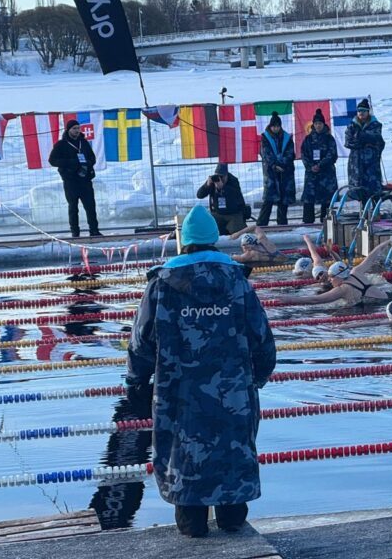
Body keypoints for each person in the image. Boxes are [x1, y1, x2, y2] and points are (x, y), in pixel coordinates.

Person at [126, 204, 276, 538]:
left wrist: (136, 381)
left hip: (178, 397)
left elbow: (141, 340)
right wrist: (260, 376)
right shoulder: (237, 282)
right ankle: (232, 519)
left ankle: (193, 526)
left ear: (185, 243)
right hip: (234, 394)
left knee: (184, 460)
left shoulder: (162, 285)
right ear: (214, 242)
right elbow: (262, 337)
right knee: (233, 454)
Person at [276, 239, 392, 307]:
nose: (329, 280)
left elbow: (316, 300)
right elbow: (371, 257)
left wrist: (290, 299)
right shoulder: (355, 272)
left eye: (331, 277)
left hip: (378, 306)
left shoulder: (342, 289)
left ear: (339, 276)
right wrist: (386, 243)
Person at [48, 119, 101, 237]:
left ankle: (94, 230)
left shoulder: (84, 143)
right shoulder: (61, 144)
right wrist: (71, 163)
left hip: (85, 180)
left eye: (78, 128)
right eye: (74, 128)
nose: (77, 131)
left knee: (90, 206)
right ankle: (75, 232)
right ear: (68, 130)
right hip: (71, 181)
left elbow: (92, 158)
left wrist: (87, 163)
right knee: (73, 207)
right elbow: (52, 161)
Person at [299, 108, 339, 224]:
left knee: (327, 201)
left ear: (323, 124)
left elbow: (332, 155)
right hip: (312, 174)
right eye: (316, 123)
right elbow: (303, 154)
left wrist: (320, 165)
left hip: (327, 175)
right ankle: (307, 224)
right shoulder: (308, 139)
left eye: (320, 123)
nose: (318, 126)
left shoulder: (329, 139)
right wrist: (311, 166)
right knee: (308, 200)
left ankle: (327, 224)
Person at [344, 98, 385, 205]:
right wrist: (364, 142)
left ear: (368, 112)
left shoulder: (375, 125)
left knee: (373, 189)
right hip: (356, 163)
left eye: (363, 111)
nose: (361, 113)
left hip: (371, 163)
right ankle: (364, 213)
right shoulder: (352, 126)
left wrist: (362, 138)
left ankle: (376, 212)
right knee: (360, 189)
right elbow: (348, 142)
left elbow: (377, 140)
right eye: (359, 111)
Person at [258, 112, 295, 226]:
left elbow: (290, 154)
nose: (276, 128)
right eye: (274, 126)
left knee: (283, 201)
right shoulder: (265, 138)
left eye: (278, 126)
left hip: (285, 172)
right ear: (270, 126)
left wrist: (282, 165)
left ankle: (282, 224)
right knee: (268, 200)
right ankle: (262, 224)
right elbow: (266, 154)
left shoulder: (287, 138)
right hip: (271, 174)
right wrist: (274, 165)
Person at [196, 163, 247, 235]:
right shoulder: (214, 180)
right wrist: (207, 185)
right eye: (218, 176)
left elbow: (235, 196)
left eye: (222, 177)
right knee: (209, 231)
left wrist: (223, 188)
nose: (219, 179)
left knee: (237, 233)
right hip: (218, 213)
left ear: (226, 175)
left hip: (233, 213)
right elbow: (199, 195)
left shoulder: (233, 181)